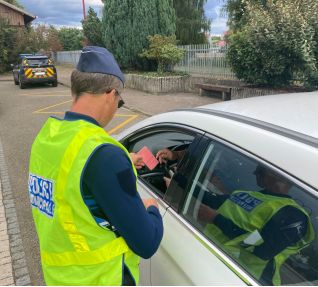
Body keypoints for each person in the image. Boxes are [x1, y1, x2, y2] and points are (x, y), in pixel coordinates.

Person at [28, 46, 163, 286]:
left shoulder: (48, 137)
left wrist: (122, 162)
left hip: (61, 278)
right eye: (119, 103)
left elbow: (69, 180)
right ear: (112, 94)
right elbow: (147, 242)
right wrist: (152, 207)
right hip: (101, 278)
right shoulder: (104, 156)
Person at [198, 165, 315, 285]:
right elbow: (212, 200)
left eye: (261, 170)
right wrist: (179, 178)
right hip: (214, 259)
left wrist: (216, 219)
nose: (254, 173)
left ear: (280, 177)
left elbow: (262, 248)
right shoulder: (246, 194)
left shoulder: (293, 215)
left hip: (246, 277)